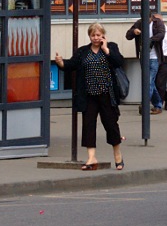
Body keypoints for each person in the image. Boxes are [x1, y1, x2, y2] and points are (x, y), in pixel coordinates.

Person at [54, 23, 125, 171]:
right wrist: (61, 63)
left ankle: (117, 155)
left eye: (98, 35)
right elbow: (72, 64)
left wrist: (106, 49)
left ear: (103, 35)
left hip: (106, 94)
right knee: (88, 126)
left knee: (111, 125)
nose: (96, 38)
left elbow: (119, 62)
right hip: (89, 95)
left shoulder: (111, 47)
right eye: (93, 35)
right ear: (89, 36)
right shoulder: (83, 51)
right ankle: (91, 157)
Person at [126, 11, 166, 109]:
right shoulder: (139, 23)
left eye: (147, 20)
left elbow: (161, 34)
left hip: (154, 57)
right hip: (143, 56)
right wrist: (134, 31)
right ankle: (158, 104)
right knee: (149, 81)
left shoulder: (158, 23)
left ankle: (144, 105)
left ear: (151, 17)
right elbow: (128, 35)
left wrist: (150, 40)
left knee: (148, 81)